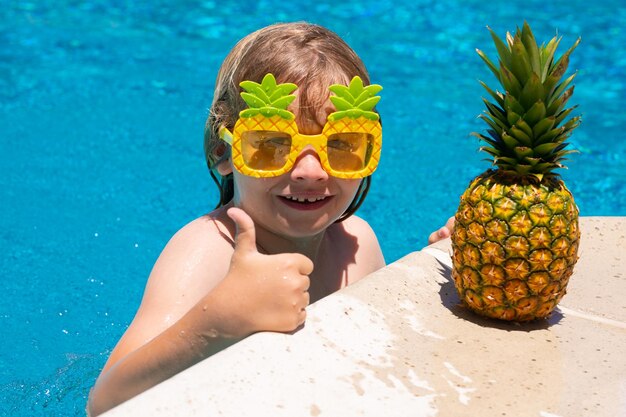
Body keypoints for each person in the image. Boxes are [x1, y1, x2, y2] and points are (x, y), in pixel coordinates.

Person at [87, 22, 453, 416]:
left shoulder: (357, 243)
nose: (310, 172)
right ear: (222, 150)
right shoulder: (207, 250)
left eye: (342, 144)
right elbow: (106, 400)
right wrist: (220, 319)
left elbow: (391, 354)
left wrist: (439, 282)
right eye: (272, 143)